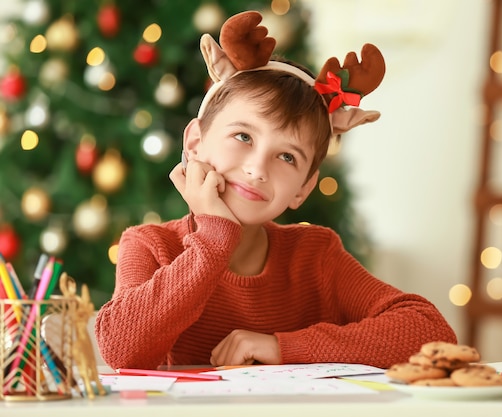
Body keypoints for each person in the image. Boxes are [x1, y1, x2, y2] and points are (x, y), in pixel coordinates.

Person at [95, 11, 456, 370]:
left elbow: (429, 330)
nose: (256, 168)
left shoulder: (316, 256)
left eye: (286, 156)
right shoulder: (150, 245)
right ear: (194, 144)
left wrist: (282, 347)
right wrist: (214, 239)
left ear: (303, 188)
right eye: (243, 136)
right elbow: (121, 351)